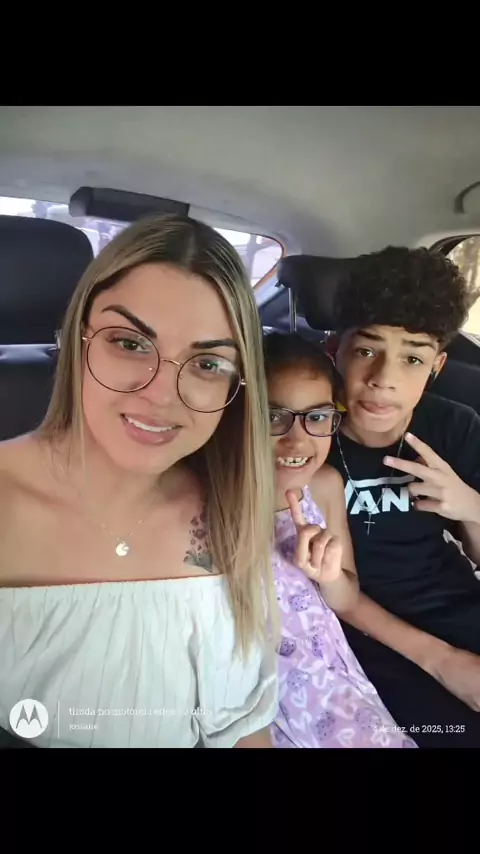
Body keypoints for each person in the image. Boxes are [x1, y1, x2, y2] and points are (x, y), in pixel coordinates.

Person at [0, 213, 278, 748]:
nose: (161, 395)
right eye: (129, 343)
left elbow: (246, 726)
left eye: (207, 363)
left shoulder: (230, 508)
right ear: (78, 339)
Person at [325, 245, 480, 747]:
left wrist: (469, 506)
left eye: (412, 358)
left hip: (457, 604)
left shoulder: (454, 426)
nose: (384, 380)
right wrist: (444, 661)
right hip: (369, 632)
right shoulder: (307, 434)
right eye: (366, 351)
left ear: (436, 366)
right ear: (334, 349)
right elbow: (339, 595)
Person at [264, 331, 416, 748]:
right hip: (255, 697)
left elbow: (347, 596)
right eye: (273, 416)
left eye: (317, 417)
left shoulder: (324, 485)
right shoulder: (208, 502)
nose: (297, 439)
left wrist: (329, 574)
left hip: (330, 683)